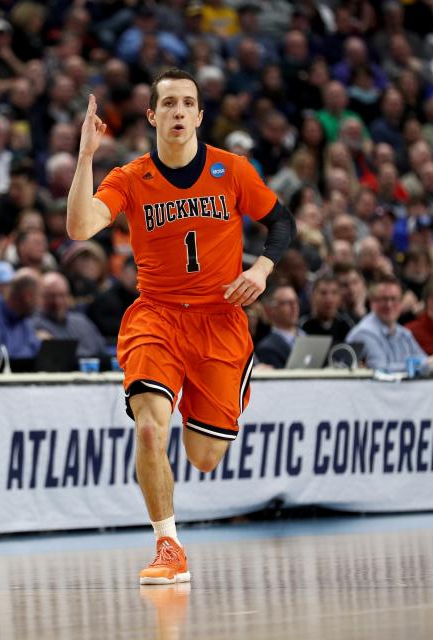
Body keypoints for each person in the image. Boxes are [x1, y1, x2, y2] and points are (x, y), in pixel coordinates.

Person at [66, 68, 294, 585]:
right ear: (151, 115)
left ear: (199, 115)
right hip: (158, 316)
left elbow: (282, 222)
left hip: (219, 321)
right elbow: (80, 227)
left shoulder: (231, 170)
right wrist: (85, 158)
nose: (178, 112)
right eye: (167, 103)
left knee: (204, 456)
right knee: (149, 429)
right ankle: (168, 545)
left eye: (187, 103)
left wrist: (260, 270)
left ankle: (223, 387)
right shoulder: (129, 177)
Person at [346, 274, 427, 371]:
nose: (389, 305)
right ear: (372, 302)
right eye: (383, 299)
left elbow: (425, 360)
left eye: (394, 299)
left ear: (401, 302)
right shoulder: (364, 333)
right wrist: (423, 365)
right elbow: (379, 369)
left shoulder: (404, 333)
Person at [33, 271, 107, 359]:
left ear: (69, 297)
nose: (57, 302)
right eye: (51, 296)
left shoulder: (82, 322)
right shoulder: (32, 325)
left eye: (62, 295)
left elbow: (104, 352)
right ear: (39, 297)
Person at [255, 284, 303, 368]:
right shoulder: (267, 348)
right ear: (272, 309)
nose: (294, 306)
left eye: (296, 301)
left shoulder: (306, 334)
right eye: (287, 303)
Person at [300, 273, 352, 343]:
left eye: (334, 293)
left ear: (340, 298)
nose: (329, 299)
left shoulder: (346, 325)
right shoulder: (303, 326)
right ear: (313, 297)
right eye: (323, 293)